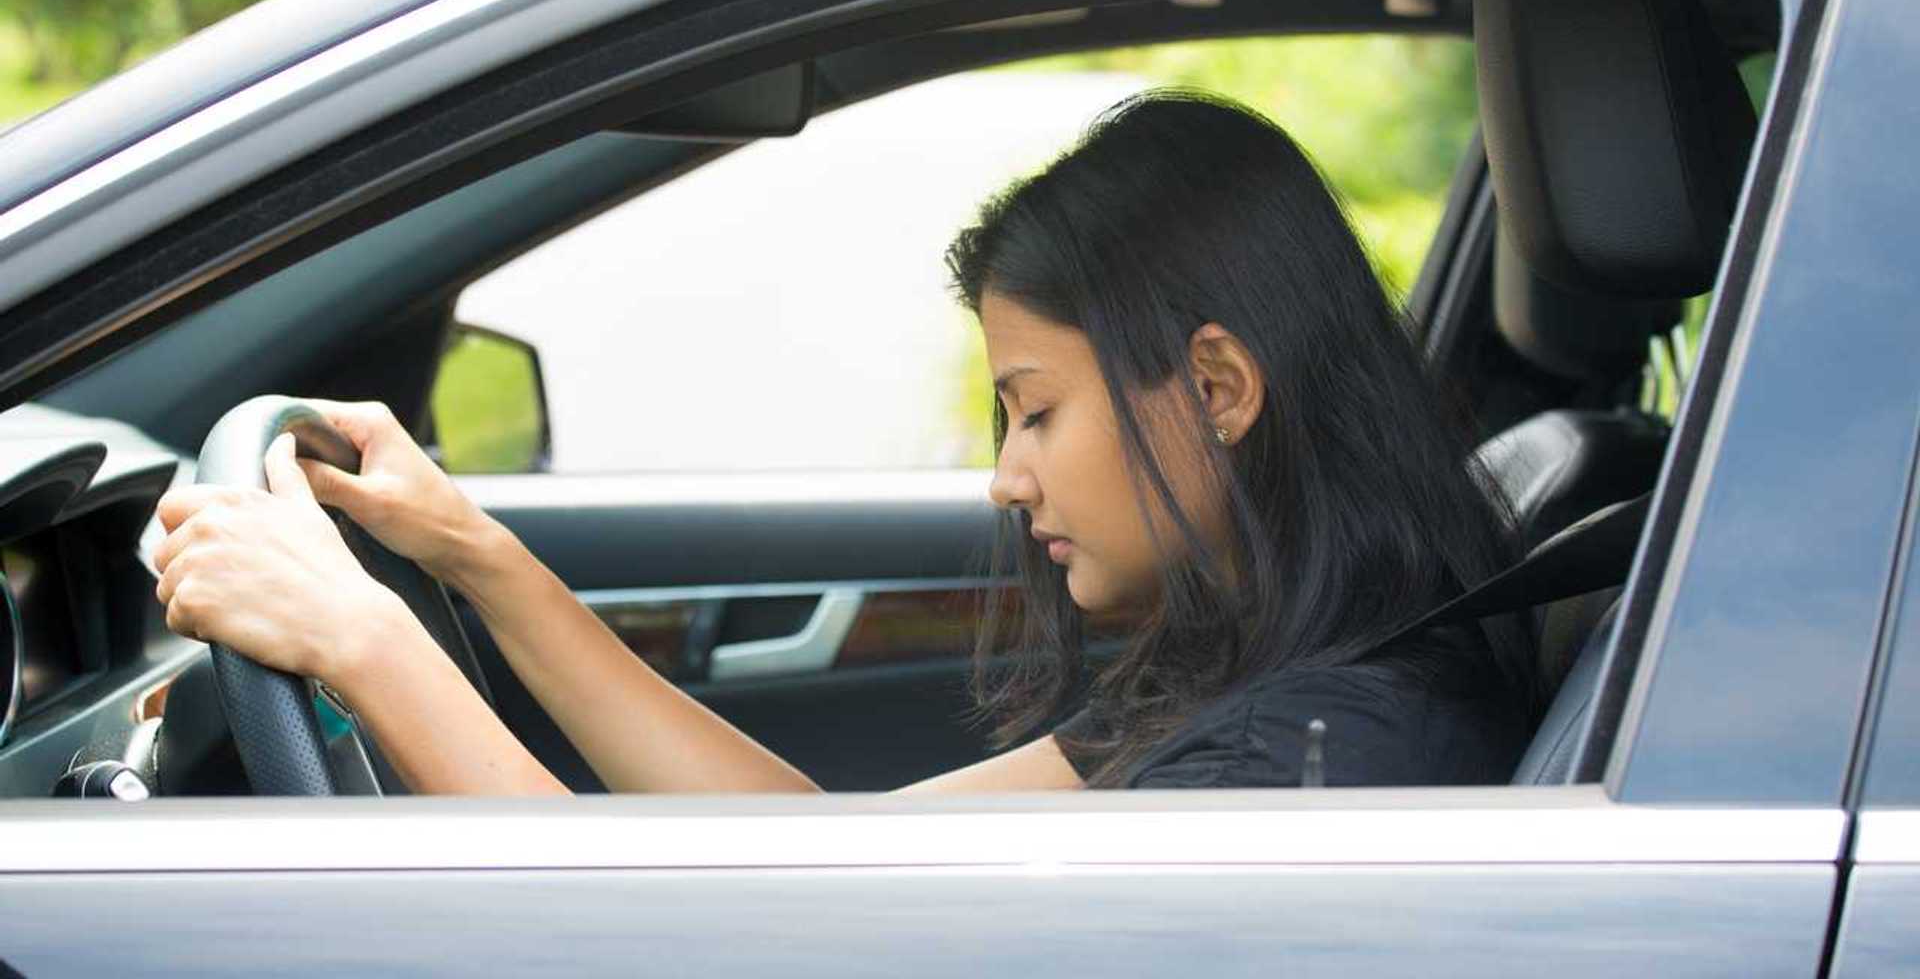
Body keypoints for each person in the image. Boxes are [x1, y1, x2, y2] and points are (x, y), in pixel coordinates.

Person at [153, 91, 1537, 795]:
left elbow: (676, 951)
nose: (1006, 475)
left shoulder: (1310, 762)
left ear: (1219, 387)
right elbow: (823, 856)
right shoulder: (1272, 662)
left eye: (1037, 409)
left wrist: (364, 642)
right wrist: (473, 554)